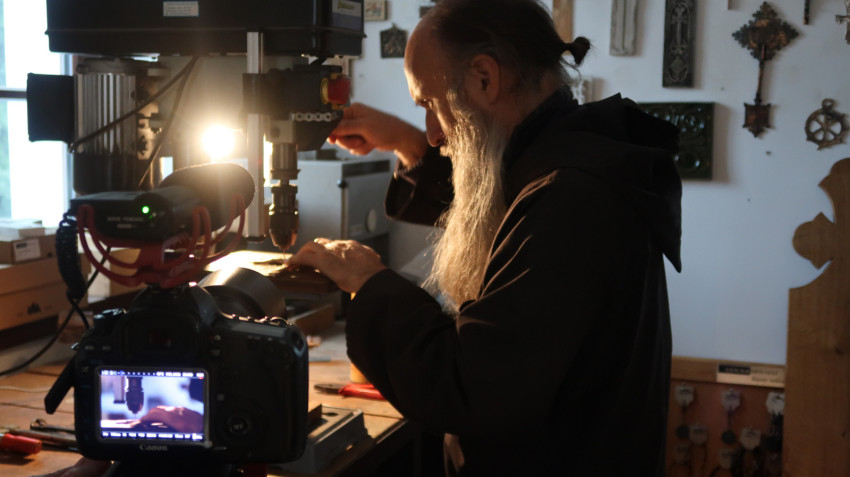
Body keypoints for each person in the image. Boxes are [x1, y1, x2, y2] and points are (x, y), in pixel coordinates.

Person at [288, 0, 682, 475]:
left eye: (430, 104)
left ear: (484, 77)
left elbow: (471, 387)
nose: (433, 134)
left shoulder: (569, 201)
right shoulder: (571, 157)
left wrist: (370, 283)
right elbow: (492, 200)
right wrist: (408, 145)